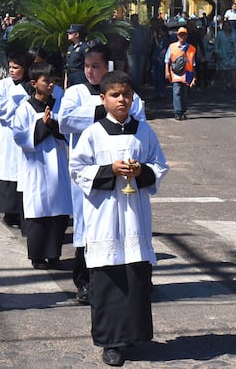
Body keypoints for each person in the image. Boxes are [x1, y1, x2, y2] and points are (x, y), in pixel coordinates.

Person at [70, 70, 168, 367]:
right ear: (103, 99)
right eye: (115, 95)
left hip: (135, 215)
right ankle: (110, 341)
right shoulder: (93, 133)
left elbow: (159, 165)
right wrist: (109, 170)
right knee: (109, 279)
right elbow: (76, 169)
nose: (122, 100)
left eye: (126, 94)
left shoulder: (144, 131)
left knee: (135, 276)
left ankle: (135, 335)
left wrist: (142, 172)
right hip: (105, 216)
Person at [59, 44, 145, 305]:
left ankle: (128, 281)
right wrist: (102, 111)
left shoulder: (126, 93)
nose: (89, 71)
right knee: (87, 228)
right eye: (86, 66)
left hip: (121, 177)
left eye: (95, 66)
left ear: (107, 66)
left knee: (122, 228)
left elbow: (138, 117)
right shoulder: (75, 92)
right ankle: (84, 282)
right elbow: (65, 120)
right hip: (89, 175)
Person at [11, 62, 71, 269]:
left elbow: (69, 132)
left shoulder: (60, 104)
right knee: (38, 211)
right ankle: (37, 255)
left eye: (53, 80)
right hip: (35, 165)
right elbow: (20, 136)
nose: (51, 84)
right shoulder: (25, 108)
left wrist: (54, 125)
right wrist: (41, 125)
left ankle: (54, 253)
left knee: (59, 210)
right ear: (35, 83)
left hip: (57, 163)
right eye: (47, 81)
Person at [0, 51, 34, 228]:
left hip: (27, 134)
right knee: (10, 171)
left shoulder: (30, 86)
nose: (12, 71)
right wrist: (16, 106)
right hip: (9, 134)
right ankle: (10, 213)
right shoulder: (2, 85)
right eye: (10, 67)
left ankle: (24, 213)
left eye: (16, 67)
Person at [165, 26, 197, 121]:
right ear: (178, 36)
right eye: (180, 35)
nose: (182, 37)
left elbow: (193, 63)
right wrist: (166, 72)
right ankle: (178, 113)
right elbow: (167, 60)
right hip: (176, 74)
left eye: (184, 35)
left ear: (186, 36)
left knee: (184, 93)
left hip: (187, 74)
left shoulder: (191, 48)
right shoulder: (172, 47)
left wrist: (194, 77)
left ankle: (182, 111)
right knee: (177, 92)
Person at [127, 14, 150, 90]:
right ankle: (133, 88)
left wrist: (146, 50)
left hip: (142, 52)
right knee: (133, 71)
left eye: (136, 19)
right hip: (132, 53)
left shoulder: (142, 29)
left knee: (140, 71)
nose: (134, 20)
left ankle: (139, 87)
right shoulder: (128, 29)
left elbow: (146, 40)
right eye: (133, 19)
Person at [214, 21, 236, 90]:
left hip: (231, 54)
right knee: (223, 71)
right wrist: (217, 52)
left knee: (233, 69)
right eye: (225, 25)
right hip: (223, 54)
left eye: (228, 25)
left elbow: (235, 44)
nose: (226, 27)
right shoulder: (219, 34)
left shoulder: (233, 34)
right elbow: (216, 44)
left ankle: (234, 84)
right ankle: (224, 84)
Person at [149, 21, 169, 99]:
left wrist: (155, 38)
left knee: (160, 76)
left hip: (161, 59)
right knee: (155, 76)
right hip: (156, 58)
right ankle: (156, 91)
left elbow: (160, 47)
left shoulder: (165, 39)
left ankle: (161, 92)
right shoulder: (160, 38)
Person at [65, 24, 88, 88]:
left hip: (79, 75)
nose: (68, 34)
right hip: (70, 75)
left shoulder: (84, 47)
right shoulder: (71, 47)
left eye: (71, 33)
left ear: (77, 34)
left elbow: (87, 62)